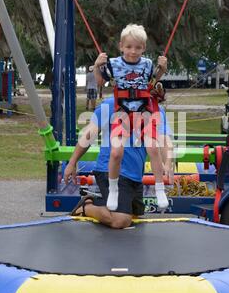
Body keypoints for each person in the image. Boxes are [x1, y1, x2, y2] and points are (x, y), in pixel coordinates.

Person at [64, 97, 174, 229]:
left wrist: (167, 162)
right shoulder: (110, 104)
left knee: (134, 217)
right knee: (120, 220)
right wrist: (72, 162)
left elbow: (164, 139)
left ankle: (109, 208)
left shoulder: (155, 109)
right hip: (109, 170)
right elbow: (89, 134)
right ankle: (86, 206)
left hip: (135, 174)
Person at [93, 24, 168, 212]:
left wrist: (162, 69)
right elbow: (101, 82)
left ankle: (160, 189)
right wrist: (97, 65)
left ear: (143, 48)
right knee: (116, 152)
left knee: (152, 147)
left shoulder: (147, 64)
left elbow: (154, 79)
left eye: (137, 47)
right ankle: (113, 189)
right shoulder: (114, 64)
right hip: (122, 112)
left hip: (144, 111)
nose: (133, 52)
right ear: (121, 46)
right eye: (129, 47)